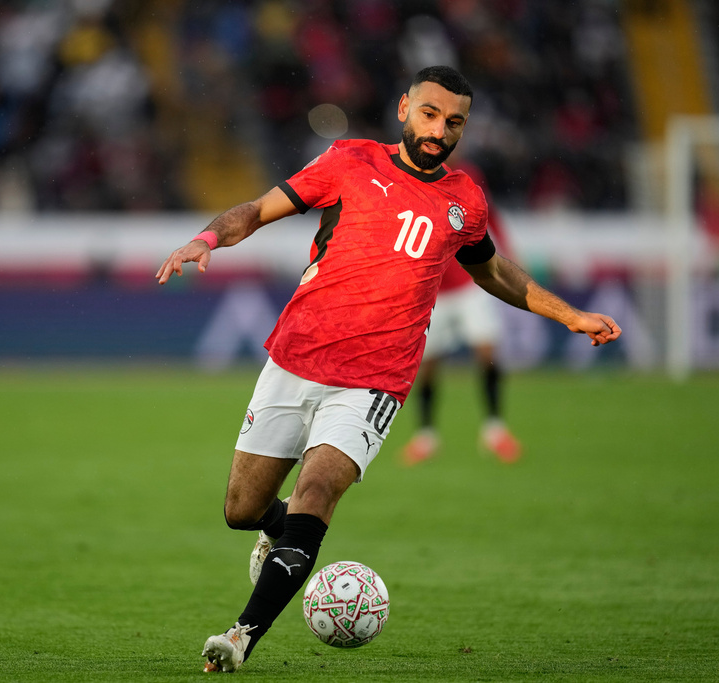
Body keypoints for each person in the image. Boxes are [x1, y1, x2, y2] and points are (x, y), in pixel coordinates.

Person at [155, 65, 620, 673]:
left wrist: (568, 314)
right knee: (241, 511)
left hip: (374, 381)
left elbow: (494, 271)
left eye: (454, 121)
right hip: (294, 360)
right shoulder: (349, 162)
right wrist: (206, 240)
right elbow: (257, 209)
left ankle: (240, 636)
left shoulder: (464, 200)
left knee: (317, 493)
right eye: (430, 114)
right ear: (404, 108)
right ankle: (281, 527)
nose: (440, 130)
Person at [400, 159, 522, 466]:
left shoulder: (469, 175)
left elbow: (489, 214)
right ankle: (426, 437)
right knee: (428, 366)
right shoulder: (409, 176)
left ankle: (495, 431)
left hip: (470, 285)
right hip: (432, 289)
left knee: (487, 351)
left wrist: (509, 253)